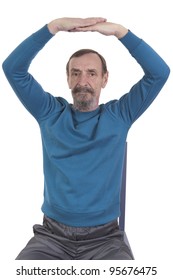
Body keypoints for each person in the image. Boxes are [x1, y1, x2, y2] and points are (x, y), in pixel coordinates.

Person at [2, 17, 170, 260]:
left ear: (104, 79)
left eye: (92, 73)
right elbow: (13, 69)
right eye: (76, 73)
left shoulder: (120, 115)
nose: (83, 82)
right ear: (68, 78)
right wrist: (54, 27)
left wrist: (120, 32)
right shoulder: (49, 112)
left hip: (106, 240)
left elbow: (159, 73)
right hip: (51, 237)